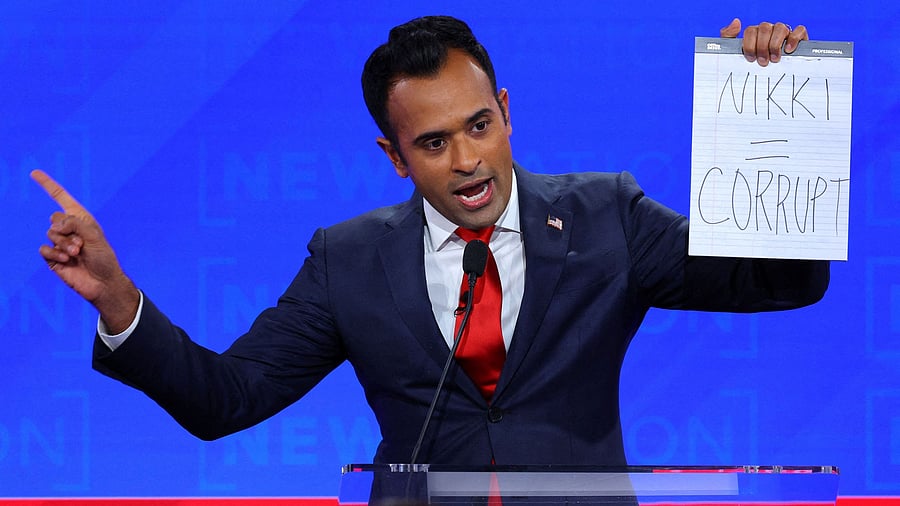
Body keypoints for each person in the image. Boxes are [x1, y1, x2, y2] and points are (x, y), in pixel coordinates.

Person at [32, 16, 826, 470]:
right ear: (395, 156)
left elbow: (776, 281)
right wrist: (118, 299)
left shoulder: (606, 216)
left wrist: (770, 113)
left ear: (506, 110)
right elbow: (225, 400)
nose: (469, 160)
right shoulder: (347, 260)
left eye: (480, 126)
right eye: (436, 142)